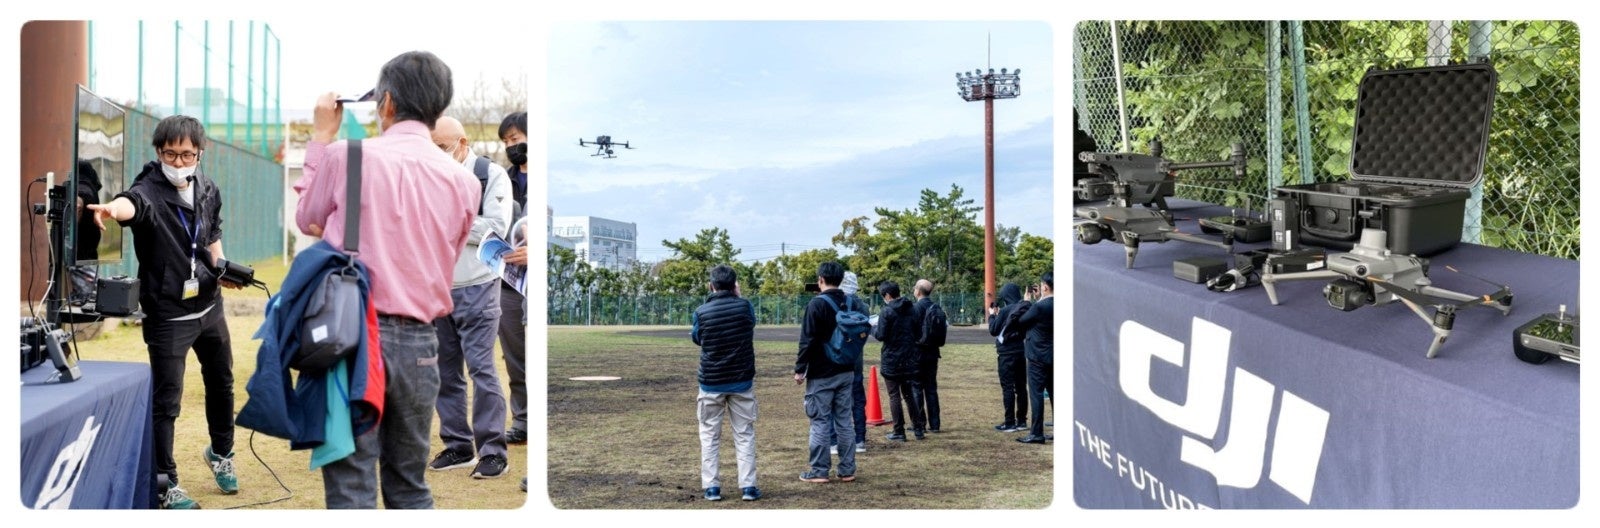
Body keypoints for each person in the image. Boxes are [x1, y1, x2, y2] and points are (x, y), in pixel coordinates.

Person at [295, 50, 479, 508]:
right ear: (438, 108)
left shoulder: (347, 156)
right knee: (410, 485)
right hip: (421, 344)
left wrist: (321, 136)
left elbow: (309, 218)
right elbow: (447, 255)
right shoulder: (463, 182)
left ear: (387, 102)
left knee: (351, 486)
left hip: (350, 340)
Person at [86, 115, 242, 509]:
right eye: (170, 153)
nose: (178, 161)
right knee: (166, 402)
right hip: (168, 316)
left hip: (209, 306)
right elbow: (130, 204)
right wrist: (111, 208)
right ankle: (165, 483)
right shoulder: (149, 190)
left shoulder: (207, 187)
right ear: (159, 152)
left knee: (221, 384)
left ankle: (222, 454)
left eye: (187, 154)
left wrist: (219, 267)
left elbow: (212, 234)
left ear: (199, 153)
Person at [426, 116, 513, 479]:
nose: (436, 155)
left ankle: (493, 451)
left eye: (442, 148)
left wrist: (454, 216)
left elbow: (496, 229)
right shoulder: (427, 177)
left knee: (482, 370)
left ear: (462, 143)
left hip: (478, 286)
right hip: (438, 288)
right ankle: (458, 445)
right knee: (445, 374)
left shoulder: (490, 175)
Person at [689, 264, 761, 502]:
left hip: (711, 382)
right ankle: (748, 486)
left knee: (709, 435)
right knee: (744, 433)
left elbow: (697, 339)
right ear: (734, 285)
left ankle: (712, 487)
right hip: (741, 381)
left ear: (711, 285)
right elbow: (750, 323)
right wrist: (738, 297)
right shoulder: (745, 306)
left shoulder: (701, 312)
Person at [794, 261, 857, 483]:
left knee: (820, 421)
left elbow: (807, 340)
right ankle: (847, 469)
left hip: (821, 372)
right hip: (847, 369)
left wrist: (800, 369)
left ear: (820, 279)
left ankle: (820, 470)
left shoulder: (816, 304)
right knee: (844, 421)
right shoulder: (850, 303)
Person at [497, 111, 530, 447]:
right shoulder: (501, 182)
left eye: (516, 138)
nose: (512, 146)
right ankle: (522, 421)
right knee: (514, 356)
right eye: (507, 142)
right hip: (507, 280)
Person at [873, 280, 924, 441]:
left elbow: (881, 335)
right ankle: (918, 428)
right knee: (909, 394)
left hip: (892, 358)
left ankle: (899, 431)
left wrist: (871, 329)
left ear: (887, 295)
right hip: (909, 357)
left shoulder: (887, 312)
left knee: (894, 395)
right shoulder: (912, 309)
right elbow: (918, 332)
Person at [826, 271, 869, 455]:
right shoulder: (862, 305)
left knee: (830, 400)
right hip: (855, 358)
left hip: (833, 357)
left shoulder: (829, 301)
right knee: (857, 399)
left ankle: (833, 441)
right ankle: (859, 439)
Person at [1013, 272, 1055, 444]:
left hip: (1037, 355)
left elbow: (1021, 320)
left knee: (1036, 394)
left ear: (1045, 286)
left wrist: (1026, 301)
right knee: (1055, 393)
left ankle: (1037, 432)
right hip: (1054, 353)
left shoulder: (1039, 307)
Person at [987, 282, 1030, 433]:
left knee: (1008, 387)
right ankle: (1022, 421)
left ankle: (1009, 422)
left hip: (1006, 353)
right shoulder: (1024, 308)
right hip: (1020, 350)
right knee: (1021, 387)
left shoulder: (1005, 310)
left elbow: (993, 330)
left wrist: (992, 316)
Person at [910, 279, 943, 432]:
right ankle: (935, 424)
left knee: (916, 388)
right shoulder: (936, 307)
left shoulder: (914, 308)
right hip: (933, 353)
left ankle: (919, 423)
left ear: (918, 291)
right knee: (931, 388)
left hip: (916, 352)